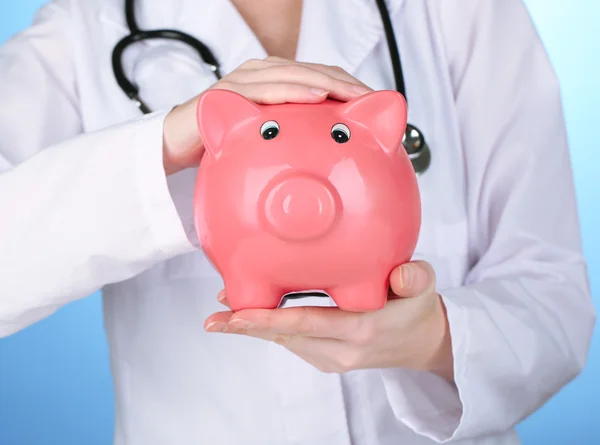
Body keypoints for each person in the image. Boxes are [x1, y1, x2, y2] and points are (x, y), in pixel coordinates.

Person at [0, 0, 595, 444]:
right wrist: (161, 145)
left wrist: (436, 340)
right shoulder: (83, 31)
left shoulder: (464, 13)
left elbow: (552, 295)